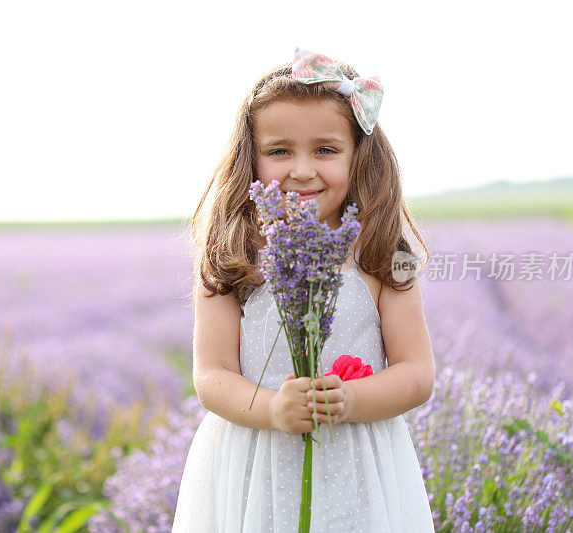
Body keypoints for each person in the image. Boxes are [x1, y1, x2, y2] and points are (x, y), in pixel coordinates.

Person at [173, 47, 436, 532]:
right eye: (279, 151)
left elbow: (416, 373)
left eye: (325, 149)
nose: (301, 170)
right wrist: (272, 407)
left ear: (360, 153)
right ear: (250, 159)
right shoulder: (233, 254)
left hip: (357, 465)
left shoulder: (382, 251)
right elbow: (211, 375)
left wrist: (352, 401)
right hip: (257, 461)